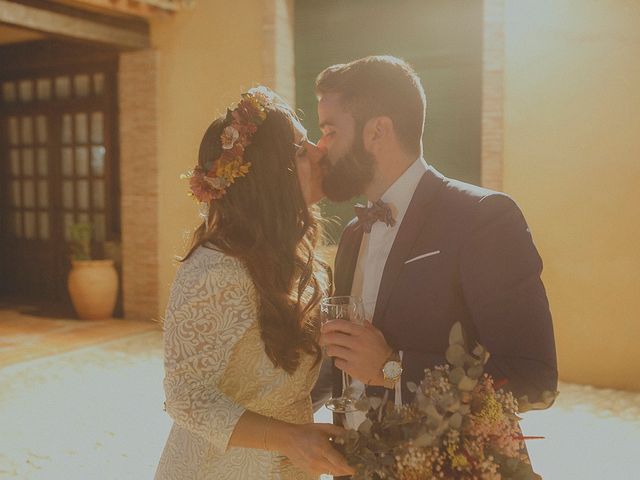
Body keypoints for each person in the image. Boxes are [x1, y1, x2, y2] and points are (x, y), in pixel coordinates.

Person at [309, 56, 558, 435]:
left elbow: (533, 378)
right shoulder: (353, 233)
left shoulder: (484, 218)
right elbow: (341, 366)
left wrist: (392, 369)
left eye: (330, 131)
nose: (321, 147)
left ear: (377, 131)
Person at [155, 87, 354, 480]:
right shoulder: (214, 271)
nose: (318, 152)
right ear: (268, 176)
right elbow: (185, 398)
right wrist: (290, 439)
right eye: (300, 149)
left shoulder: (298, 257)